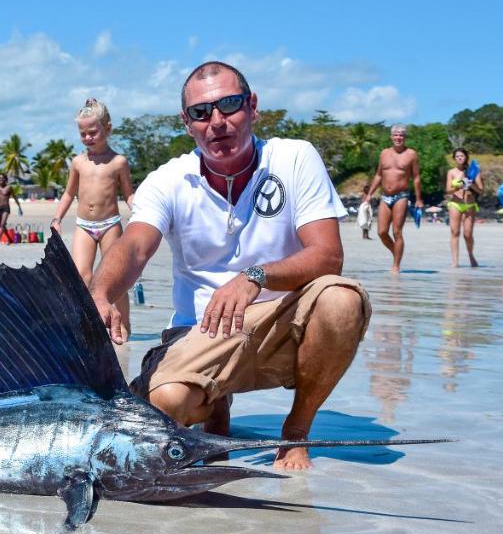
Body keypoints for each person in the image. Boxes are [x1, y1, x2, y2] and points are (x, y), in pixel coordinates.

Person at [88, 61, 370, 471]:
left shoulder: (293, 158)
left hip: (282, 324)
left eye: (230, 105)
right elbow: (134, 246)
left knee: (341, 300)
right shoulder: (169, 180)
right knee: (164, 407)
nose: (217, 122)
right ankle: (215, 407)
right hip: (200, 330)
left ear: (252, 106)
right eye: (202, 113)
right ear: (187, 124)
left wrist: (254, 278)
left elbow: (328, 255)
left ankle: (297, 430)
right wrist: (99, 293)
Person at [50, 99, 136, 337]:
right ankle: (88, 324)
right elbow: (69, 193)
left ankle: (125, 324)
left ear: (107, 129)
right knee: (81, 275)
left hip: (110, 225)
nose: (88, 137)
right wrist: (57, 218)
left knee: (115, 279)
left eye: (93, 132)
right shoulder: (78, 162)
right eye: (83, 133)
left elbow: (128, 194)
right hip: (84, 225)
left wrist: (139, 209)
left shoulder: (118, 162)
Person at [362, 124, 422, 272]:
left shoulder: (411, 154)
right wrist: (369, 195)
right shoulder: (384, 153)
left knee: (397, 232)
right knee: (381, 232)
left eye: (401, 135)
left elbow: (416, 178)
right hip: (385, 196)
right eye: (395, 134)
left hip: (401, 196)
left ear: (405, 137)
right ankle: (397, 253)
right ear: (391, 136)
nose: (398, 137)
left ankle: (396, 265)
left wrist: (419, 199)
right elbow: (378, 175)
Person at [445, 148, 483, 267]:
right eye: (457, 156)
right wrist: (460, 185)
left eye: (462, 156)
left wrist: (471, 184)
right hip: (455, 203)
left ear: (466, 157)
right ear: (454, 158)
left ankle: (471, 255)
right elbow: (448, 190)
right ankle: (455, 261)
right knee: (455, 232)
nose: (460, 158)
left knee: (467, 234)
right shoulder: (451, 172)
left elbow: (481, 190)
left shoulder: (473, 171)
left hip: (469, 204)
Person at [0, 173, 23, 245]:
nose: (1, 179)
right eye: (0, 178)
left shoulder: (9, 188)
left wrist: (19, 207)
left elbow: (15, 197)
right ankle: (9, 239)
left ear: (5, 179)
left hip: (6, 208)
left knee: (2, 225)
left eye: (2, 178)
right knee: (1, 226)